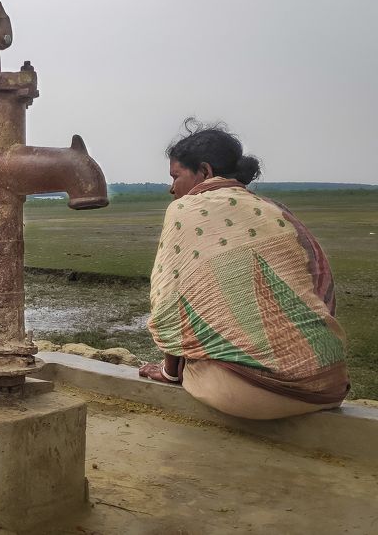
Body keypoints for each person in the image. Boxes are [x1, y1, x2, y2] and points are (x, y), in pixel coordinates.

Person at [138, 119, 350, 420]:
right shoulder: (274, 210)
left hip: (254, 395)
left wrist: (170, 371)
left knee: (192, 366)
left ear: (205, 171)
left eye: (176, 176)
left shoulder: (186, 209)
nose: (172, 189)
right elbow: (318, 282)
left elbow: (173, 302)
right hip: (327, 387)